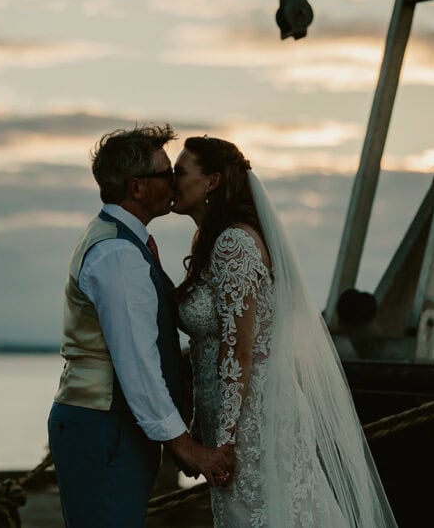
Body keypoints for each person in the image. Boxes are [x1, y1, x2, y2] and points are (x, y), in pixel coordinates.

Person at [172, 136, 396, 527]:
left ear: (211, 181)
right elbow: (206, 347)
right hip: (231, 418)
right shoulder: (212, 243)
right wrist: (198, 431)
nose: (172, 181)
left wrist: (222, 442)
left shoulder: (233, 245)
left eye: (179, 172)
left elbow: (238, 350)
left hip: (251, 424)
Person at [48, 124, 233, 528]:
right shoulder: (117, 253)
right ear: (136, 187)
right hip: (105, 425)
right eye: (166, 173)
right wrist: (186, 447)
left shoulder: (124, 242)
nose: (174, 181)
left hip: (112, 424)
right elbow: (136, 363)